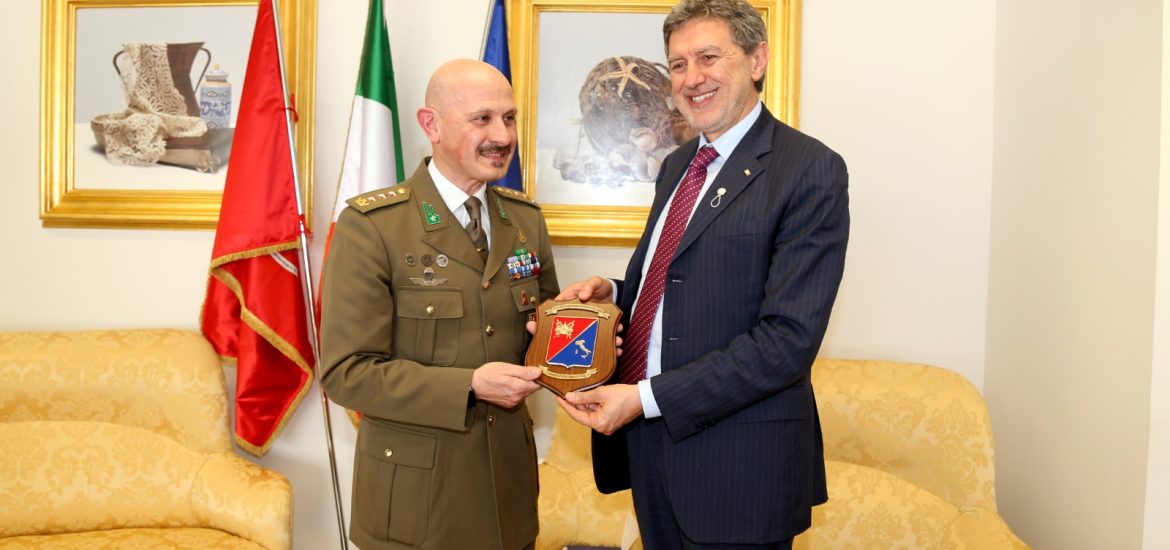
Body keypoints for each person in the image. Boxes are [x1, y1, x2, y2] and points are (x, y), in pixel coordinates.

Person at [554, 1, 850, 548]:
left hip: (738, 470)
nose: (692, 78)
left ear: (757, 60)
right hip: (650, 452)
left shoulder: (808, 169)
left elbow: (787, 340)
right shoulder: (677, 165)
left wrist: (643, 398)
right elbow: (676, 282)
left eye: (709, 57)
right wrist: (613, 291)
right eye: (678, 64)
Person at [319, 59, 559, 550]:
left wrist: (586, 316)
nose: (502, 136)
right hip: (417, 503)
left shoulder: (525, 220)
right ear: (431, 125)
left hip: (508, 495)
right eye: (482, 119)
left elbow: (545, 332)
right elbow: (347, 373)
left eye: (509, 118)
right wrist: (468, 385)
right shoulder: (374, 226)